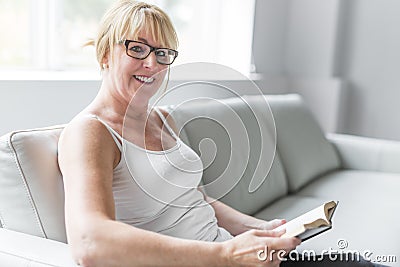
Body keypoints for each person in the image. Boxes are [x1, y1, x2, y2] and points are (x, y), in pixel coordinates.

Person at [58, 1, 382, 267]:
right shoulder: (90, 132)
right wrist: (226, 256)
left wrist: (260, 229)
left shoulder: (163, 119)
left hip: (233, 256)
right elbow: (90, 242)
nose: (152, 65)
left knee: (357, 263)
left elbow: (195, 199)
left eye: (162, 54)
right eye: (138, 49)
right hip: (215, 260)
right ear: (105, 54)